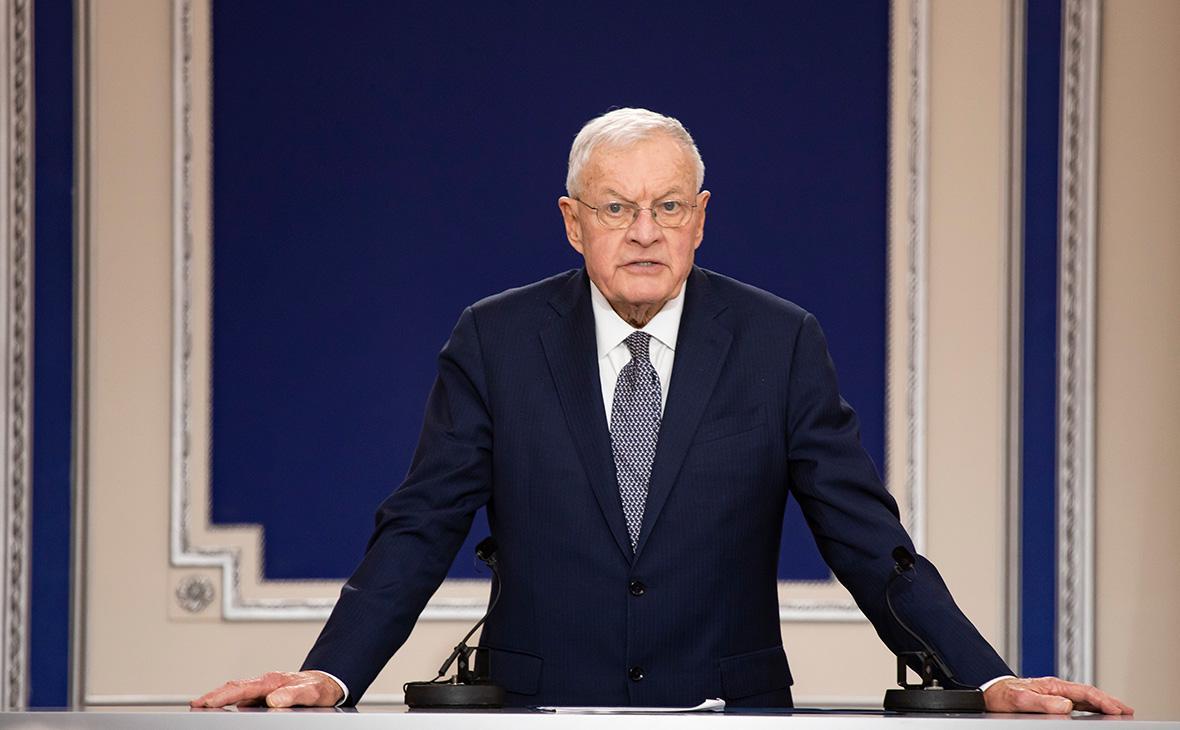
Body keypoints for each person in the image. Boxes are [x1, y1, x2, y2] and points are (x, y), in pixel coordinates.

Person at [194, 108, 1131, 714]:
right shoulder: (496, 339)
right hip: (536, 712)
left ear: (701, 217)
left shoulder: (778, 341)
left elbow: (867, 542)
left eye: (669, 207)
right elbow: (420, 526)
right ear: (573, 221)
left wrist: (986, 677)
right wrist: (332, 673)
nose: (644, 232)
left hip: (729, 712)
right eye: (616, 209)